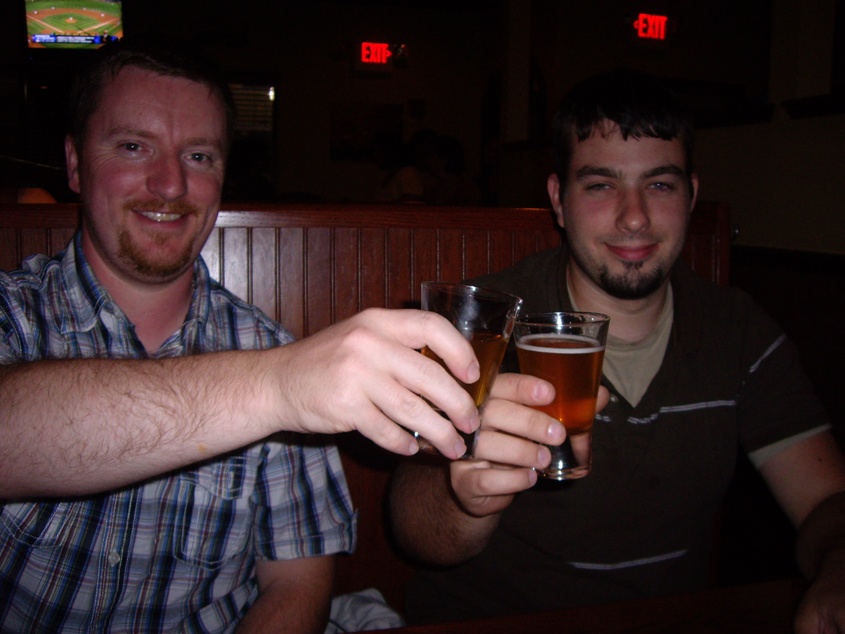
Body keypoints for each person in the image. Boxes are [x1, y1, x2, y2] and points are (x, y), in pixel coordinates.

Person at [0, 39, 553, 632]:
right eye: (134, 147)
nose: (168, 184)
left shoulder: (272, 346)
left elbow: (298, 584)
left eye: (199, 157)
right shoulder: (14, 313)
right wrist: (276, 385)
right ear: (76, 163)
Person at [389, 69, 845, 632]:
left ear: (692, 196)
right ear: (559, 199)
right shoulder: (484, 324)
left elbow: (827, 501)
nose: (634, 217)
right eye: (601, 185)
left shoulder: (739, 329)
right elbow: (416, 532)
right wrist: (465, 498)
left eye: (660, 184)